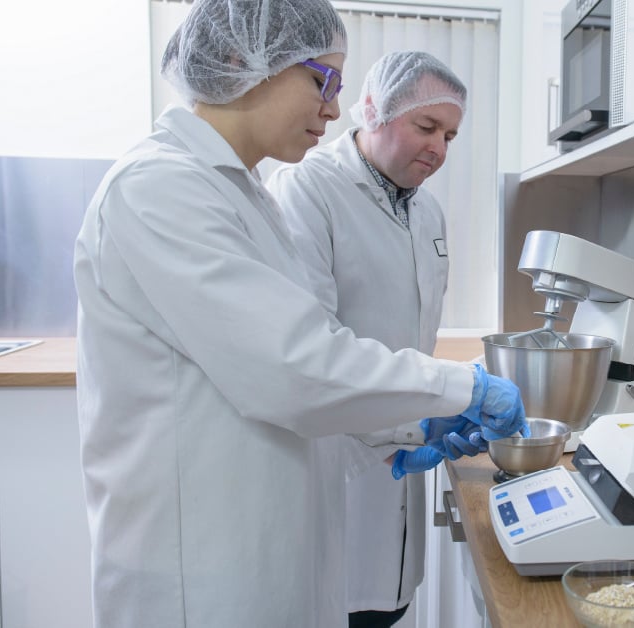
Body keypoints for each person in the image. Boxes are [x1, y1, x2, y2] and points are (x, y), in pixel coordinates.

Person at [72, 2, 526, 627]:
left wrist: (413, 425)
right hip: (201, 578)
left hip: (269, 553)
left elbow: (294, 366)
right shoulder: (159, 189)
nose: (335, 109)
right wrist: (461, 386)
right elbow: (297, 366)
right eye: (322, 81)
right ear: (239, 60)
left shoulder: (245, 196)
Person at [267, 51, 477, 627]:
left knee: (388, 606)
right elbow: (313, 353)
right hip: (336, 466)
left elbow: (410, 338)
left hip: (399, 473)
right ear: (373, 111)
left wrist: (427, 411)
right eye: (426, 127)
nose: (438, 148)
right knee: (338, 604)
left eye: (450, 135)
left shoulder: (428, 213)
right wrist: (425, 411)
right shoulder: (307, 192)